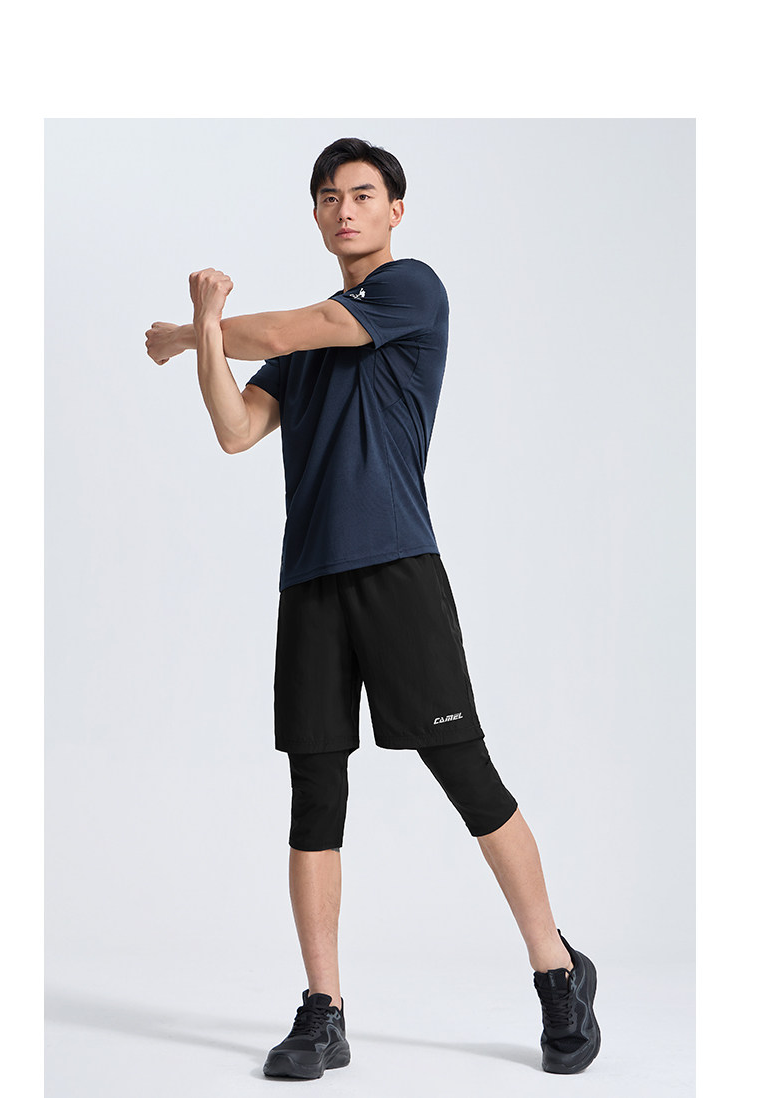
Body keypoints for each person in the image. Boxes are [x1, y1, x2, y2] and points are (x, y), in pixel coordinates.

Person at [145, 136, 601, 1079]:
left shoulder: (409, 291)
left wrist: (196, 331)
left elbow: (289, 329)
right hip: (309, 582)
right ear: (315, 215)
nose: (344, 209)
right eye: (329, 197)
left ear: (394, 209)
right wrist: (210, 336)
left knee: (467, 774)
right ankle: (324, 1010)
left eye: (361, 194)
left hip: (397, 571)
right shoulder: (303, 344)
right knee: (315, 793)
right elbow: (235, 429)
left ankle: (558, 970)